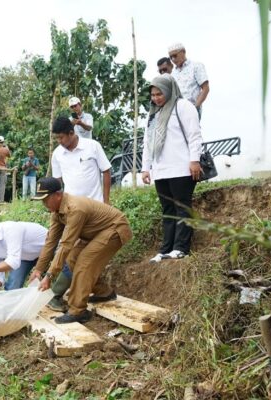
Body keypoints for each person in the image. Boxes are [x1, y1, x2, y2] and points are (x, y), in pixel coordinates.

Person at [28, 177, 132, 324]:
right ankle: (104, 293)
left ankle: (78, 311)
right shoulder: (57, 212)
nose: (43, 203)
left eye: (45, 199)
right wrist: (38, 269)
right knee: (71, 260)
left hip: (114, 229)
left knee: (84, 263)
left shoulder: (75, 208)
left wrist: (49, 276)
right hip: (94, 233)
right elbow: (50, 242)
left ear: (58, 195)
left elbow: (66, 244)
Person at [48, 116, 112, 312]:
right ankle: (101, 291)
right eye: (57, 139)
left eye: (62, 138)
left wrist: (106, 202)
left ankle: (58, 295)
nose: (60, 142)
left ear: (71, 133)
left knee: (76, 255)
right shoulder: (58, 154)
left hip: (94, 211)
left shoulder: (92, 146)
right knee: (74, 255)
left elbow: (106, 171)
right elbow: (58, 186)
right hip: (72, 212)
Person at [141, 74, 203, 264]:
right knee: (168, 209)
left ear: (169, 90)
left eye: (160, 93)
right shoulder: (154, 114)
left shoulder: (183, 107)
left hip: (182, 168)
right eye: (153, 94)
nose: (156, 98)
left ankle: (181, 248)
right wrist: (145, 168)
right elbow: (147, 142)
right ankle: (165, 249)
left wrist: (194, 160)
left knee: (182, 207)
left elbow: (194, 135)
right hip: (162, 170)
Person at [168, 43, 209, 119]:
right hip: (176, 112)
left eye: (175, 55)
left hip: (191, 109)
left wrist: (196, 107)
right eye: (171, 57)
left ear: (183, 52)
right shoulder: (173, 73)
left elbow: (205, 88)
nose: (173, 59)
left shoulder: (196, 66)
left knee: (191, 131)